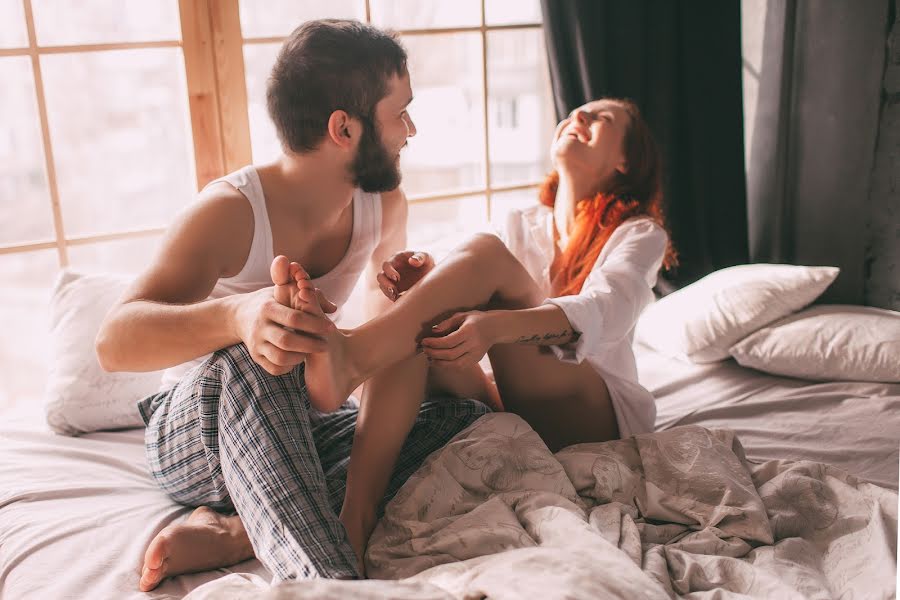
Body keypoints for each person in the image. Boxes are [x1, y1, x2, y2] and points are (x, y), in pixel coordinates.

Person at [160, 95, 679, 580]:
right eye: (576, 113)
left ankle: (352, 357)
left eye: (600, 120)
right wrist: (425, 280)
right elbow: (453, 277)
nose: (578, 119)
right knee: (406, 303)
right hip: (508, 403)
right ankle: (342, 516)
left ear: (626, 162)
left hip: (590, 415)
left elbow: (606, 311)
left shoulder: (639, 233)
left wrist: (493, 323)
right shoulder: (524, 221)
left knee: (481, 258)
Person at [95, 19, 490, 591]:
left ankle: (240, 534)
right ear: (344, 128)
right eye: (399, 111)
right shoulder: (230, 212)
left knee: (465, 420)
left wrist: (402, 299)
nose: (411, 128)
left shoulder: (383, 205)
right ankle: (330, 583)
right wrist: (240, 316)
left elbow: (374, 352)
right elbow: (113, 341)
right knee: (261, 357)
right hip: (195, 435)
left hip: (303, 427)